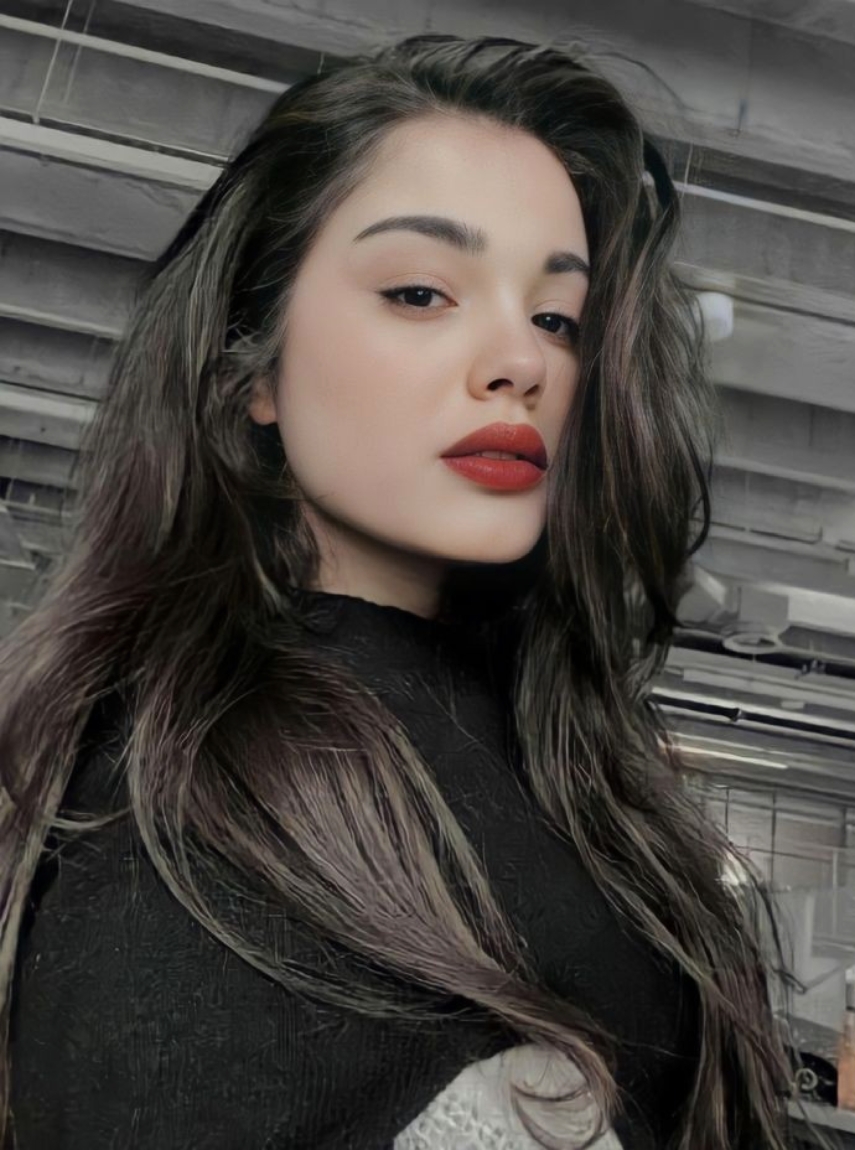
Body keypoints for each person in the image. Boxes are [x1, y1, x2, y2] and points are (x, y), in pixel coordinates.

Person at [0, 33, 798, 1150]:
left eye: (556, 317)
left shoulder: (544, 742)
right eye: (421, 291)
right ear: (252, 369)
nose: (521, 361)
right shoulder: (190, 810)